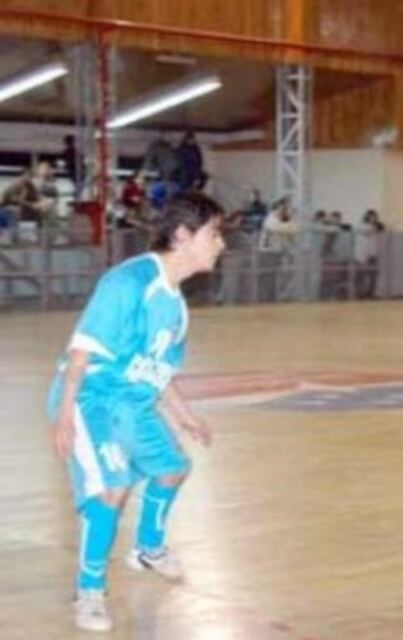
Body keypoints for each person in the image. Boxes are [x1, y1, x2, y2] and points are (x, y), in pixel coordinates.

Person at [47, 194, 225, 632]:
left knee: (173, 468)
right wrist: (65, 414)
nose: (221, 244)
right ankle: (89, 592)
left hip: (131, 402)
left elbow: (157, 372)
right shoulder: (128, 282)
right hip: (91, 398)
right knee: (113, 489)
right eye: (214, 233)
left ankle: (148, 548)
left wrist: (185, 417)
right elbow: (82, 352)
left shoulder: (176, 305)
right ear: (183, 235)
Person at [354, 209, 386, 298]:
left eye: (374, 217)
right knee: (361, 275)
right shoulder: (362, 226)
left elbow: (381, 228)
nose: (373, 218)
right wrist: (374, 226)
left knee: (374, 274)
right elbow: (367, 230)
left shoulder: (375, 227)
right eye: (371, 216)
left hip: (372, 254)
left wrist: (377, 226)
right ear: (367, 217)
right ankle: (360, 293)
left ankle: (371, 293)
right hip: (361, 255)